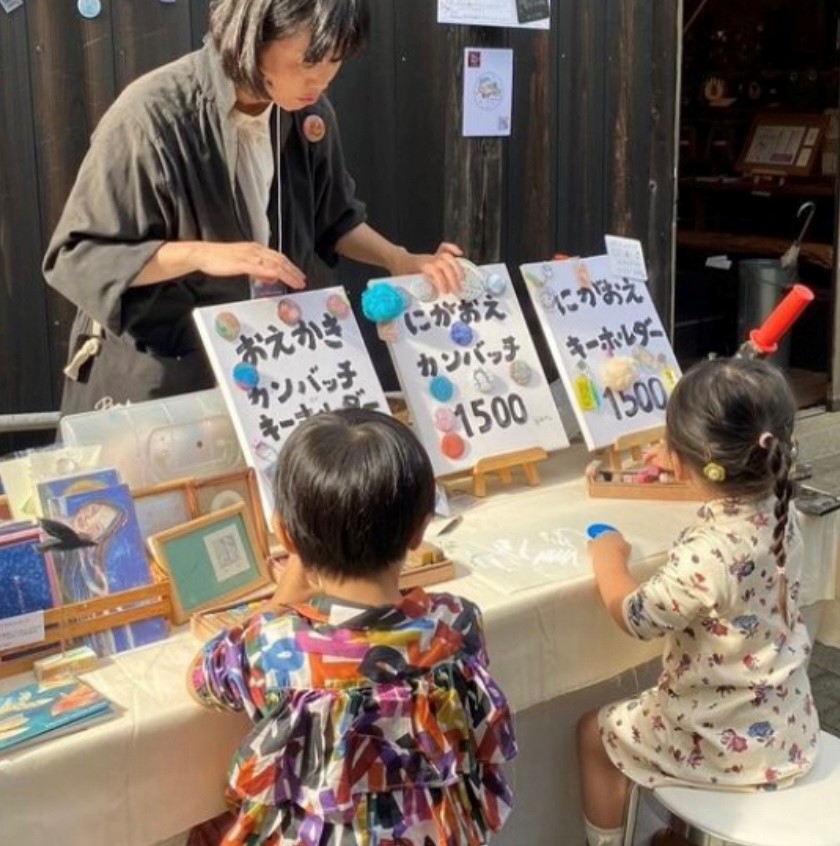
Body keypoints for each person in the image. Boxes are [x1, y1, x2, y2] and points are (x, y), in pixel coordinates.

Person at [43, 0, 464, 415]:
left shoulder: (308, 113)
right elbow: (78, 255)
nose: (320, 80)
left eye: (334, 61)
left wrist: (398, 259)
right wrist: (203, 254)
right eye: (307, 61)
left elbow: (335, 218)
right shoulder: (151, 116)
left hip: (266, 362)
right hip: (163, 373)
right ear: (253, 35)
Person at [187, 408, 517, 845]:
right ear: (419, 531)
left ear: (285, 535)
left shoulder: (274, 645)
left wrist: (282, 598)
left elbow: (200, 680)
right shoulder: (456, 625)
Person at [577, 357, 820, 846]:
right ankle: (676, 832)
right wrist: (686, 458)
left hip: (715, 743)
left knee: (592, 734)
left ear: (683, 461)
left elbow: (635, 616)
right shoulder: (783, 507)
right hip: (789, 730)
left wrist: (609, 556)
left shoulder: (708, 554)